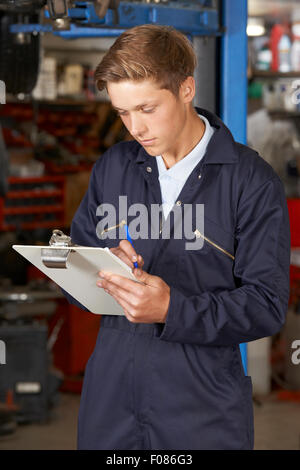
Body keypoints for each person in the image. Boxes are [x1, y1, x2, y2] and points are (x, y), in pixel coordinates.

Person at [67, 24, 290, 450]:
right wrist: (103, 269)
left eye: (147, 108)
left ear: (186, 89)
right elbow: (78, 280)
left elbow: (267, 305)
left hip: (201, 406)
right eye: (123, 112)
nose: (135, 126)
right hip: (110, 402)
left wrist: (173, 308)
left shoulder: (250, 181)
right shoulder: (114, 167)